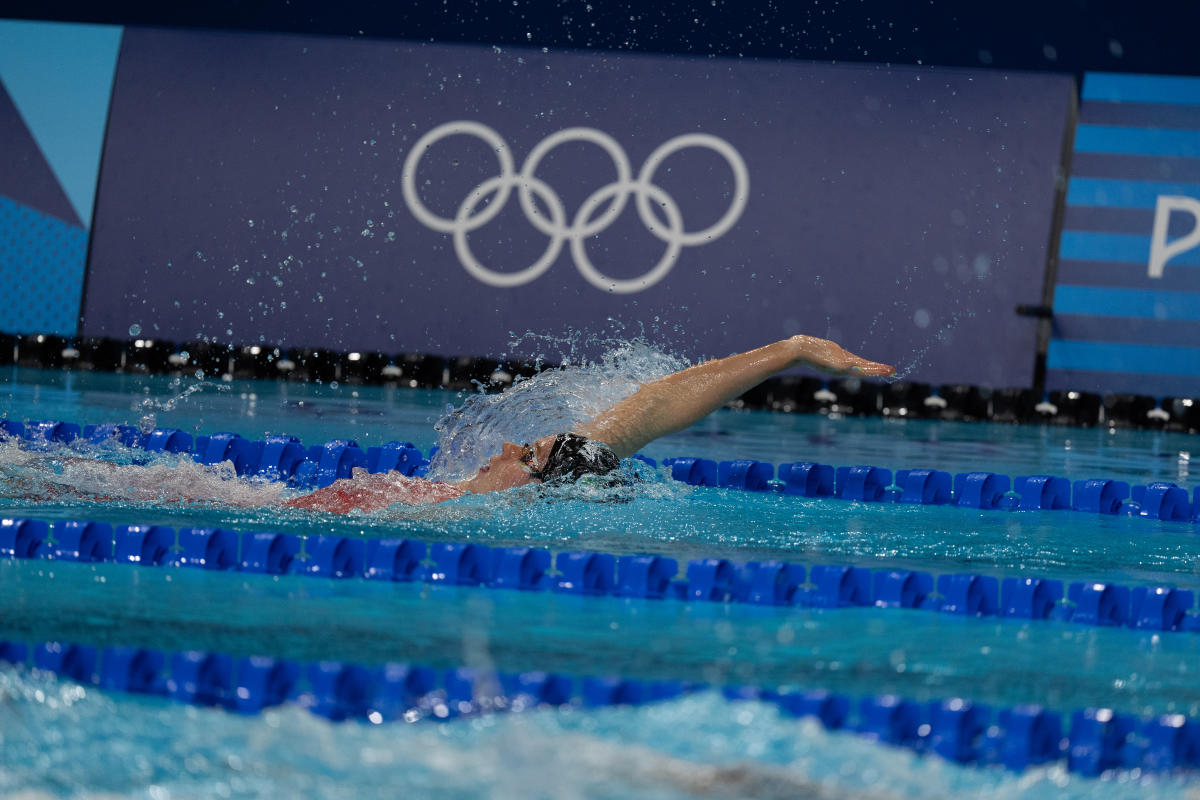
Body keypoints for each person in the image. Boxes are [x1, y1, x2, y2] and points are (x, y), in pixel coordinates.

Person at [284, 334, 893, 513]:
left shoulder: (429, 513)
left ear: (530, 488)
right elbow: (656, 404)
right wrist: (791, 350)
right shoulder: (529, 488)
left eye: (525, 455)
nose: (504, 446)